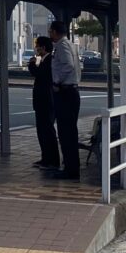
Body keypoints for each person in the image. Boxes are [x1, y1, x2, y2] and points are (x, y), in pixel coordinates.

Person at [49, 20, 82, 180]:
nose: (50, 35)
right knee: (70, 132)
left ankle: (71, 169)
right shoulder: (70, 44)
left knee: (66, 132)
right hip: (72, 92)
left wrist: (57, 81)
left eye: (50, 31)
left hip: (65, 92)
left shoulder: (62, 46)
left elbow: (68, 65)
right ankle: (72, 166)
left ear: (55, 32)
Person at [27, 36, 59, 169]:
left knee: (47, 130)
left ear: (44, 47)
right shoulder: (44, 60)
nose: (36, 48)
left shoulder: (49, 61)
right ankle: (45, 158)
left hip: (46, 101)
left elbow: (38, 74)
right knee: (42, 130)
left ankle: (52, 160)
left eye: (38, 46)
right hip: (41, 101)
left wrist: (31, 64)